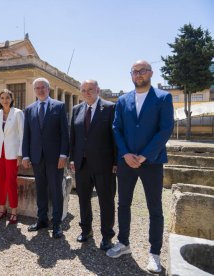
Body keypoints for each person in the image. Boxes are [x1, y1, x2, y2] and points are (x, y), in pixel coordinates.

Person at [106, 60, 174, 274]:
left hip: (152, 162)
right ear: (131, 75)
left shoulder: (163, 98)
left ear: (151, 73)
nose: (139, 74)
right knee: (123, 204)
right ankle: (124, 243)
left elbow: (165, 130)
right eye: (135, 71)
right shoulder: (123, 99)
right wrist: (125, 154)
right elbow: (116, 128)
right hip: (126, 162)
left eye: (142, 71)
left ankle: (154, 253)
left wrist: (144, 156)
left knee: (155, 208)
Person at [69, 80, 116, 251]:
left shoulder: (110, 108)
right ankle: (86, 230)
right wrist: (72, 158)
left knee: (106, 201)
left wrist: (116, 161)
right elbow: (73, 136)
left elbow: (115, 136)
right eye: (83, 90)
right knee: (83, 199)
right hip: (82, 164)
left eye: (90, 89)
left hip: (104, 164)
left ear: (98, 90)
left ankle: (107, 236)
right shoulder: (76, 110)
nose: (87, 92)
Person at [22, 77, 69, 239]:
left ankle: (57, 224)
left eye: (43, 87)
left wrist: (64, 154)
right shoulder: (29, 109)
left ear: (48, 89)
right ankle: (41, 219)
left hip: (55, 158)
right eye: (37, 88)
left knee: (56, 190)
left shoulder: (59, 106)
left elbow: (65, 133)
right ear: (34, 91)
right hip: (36, 157)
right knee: (40, 189)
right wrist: (26, 155)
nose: (40, 90)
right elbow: (27, 134)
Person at [0, 89, 24, 224]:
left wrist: (20, 154)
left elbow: (22, 134)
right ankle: (2, 209)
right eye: (2, 98)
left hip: (12, 153)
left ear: (12, 99)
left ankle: (14, 211)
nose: (5, 100)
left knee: (11, 181)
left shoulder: (18, 113)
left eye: (7, 97)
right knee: (0, 181)